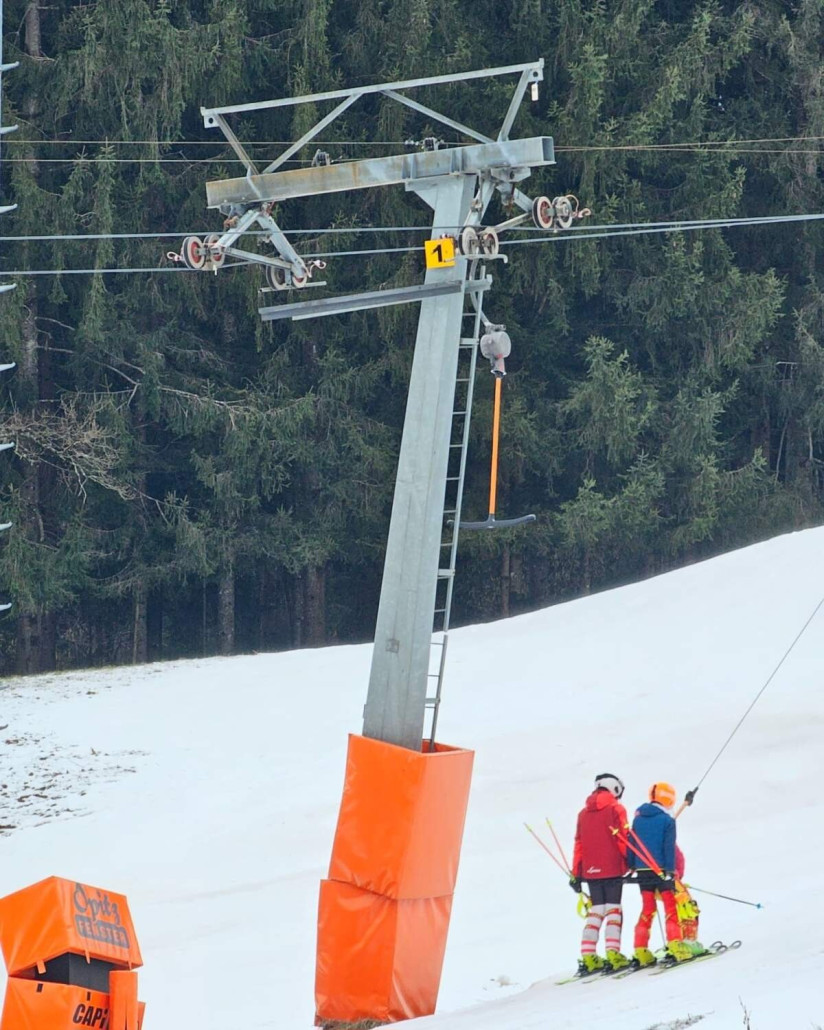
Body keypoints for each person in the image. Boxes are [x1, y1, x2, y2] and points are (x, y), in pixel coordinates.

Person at [627, 783, 704, 966]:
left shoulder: (638, 819)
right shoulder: (667, 821)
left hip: (643, 872)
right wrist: (670, 871)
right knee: (674, 907)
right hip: (662, 870)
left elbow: (632, 841)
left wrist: (631, 866)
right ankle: (679, 944)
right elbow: (668, 848)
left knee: (648, 909)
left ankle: (640, 949)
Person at [569, 773, 631, 974]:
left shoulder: (582, 814)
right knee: (614, 909)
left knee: (596, 910)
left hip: (590, 870)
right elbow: (623, 838)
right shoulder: (616, 809)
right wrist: (630, 862)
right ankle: (613, 953)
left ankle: (588, 955)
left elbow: (579, 844)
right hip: (612, 867)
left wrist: (576, 873)